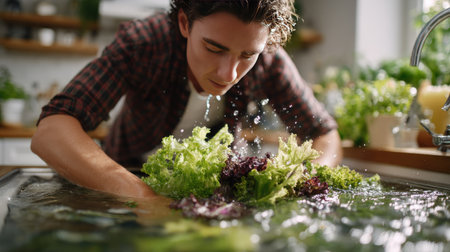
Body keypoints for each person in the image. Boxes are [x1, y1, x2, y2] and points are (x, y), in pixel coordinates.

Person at [31, 0, 342, 199]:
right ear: (184, 23)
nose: (228, 73)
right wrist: (141, 197)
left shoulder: (270, 60)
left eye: (247, 55)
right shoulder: (144, 42)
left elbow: (325, 133)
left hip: (213, 194)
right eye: (214, 48)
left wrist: (296, 179)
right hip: (124, 184)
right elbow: (51, 130)